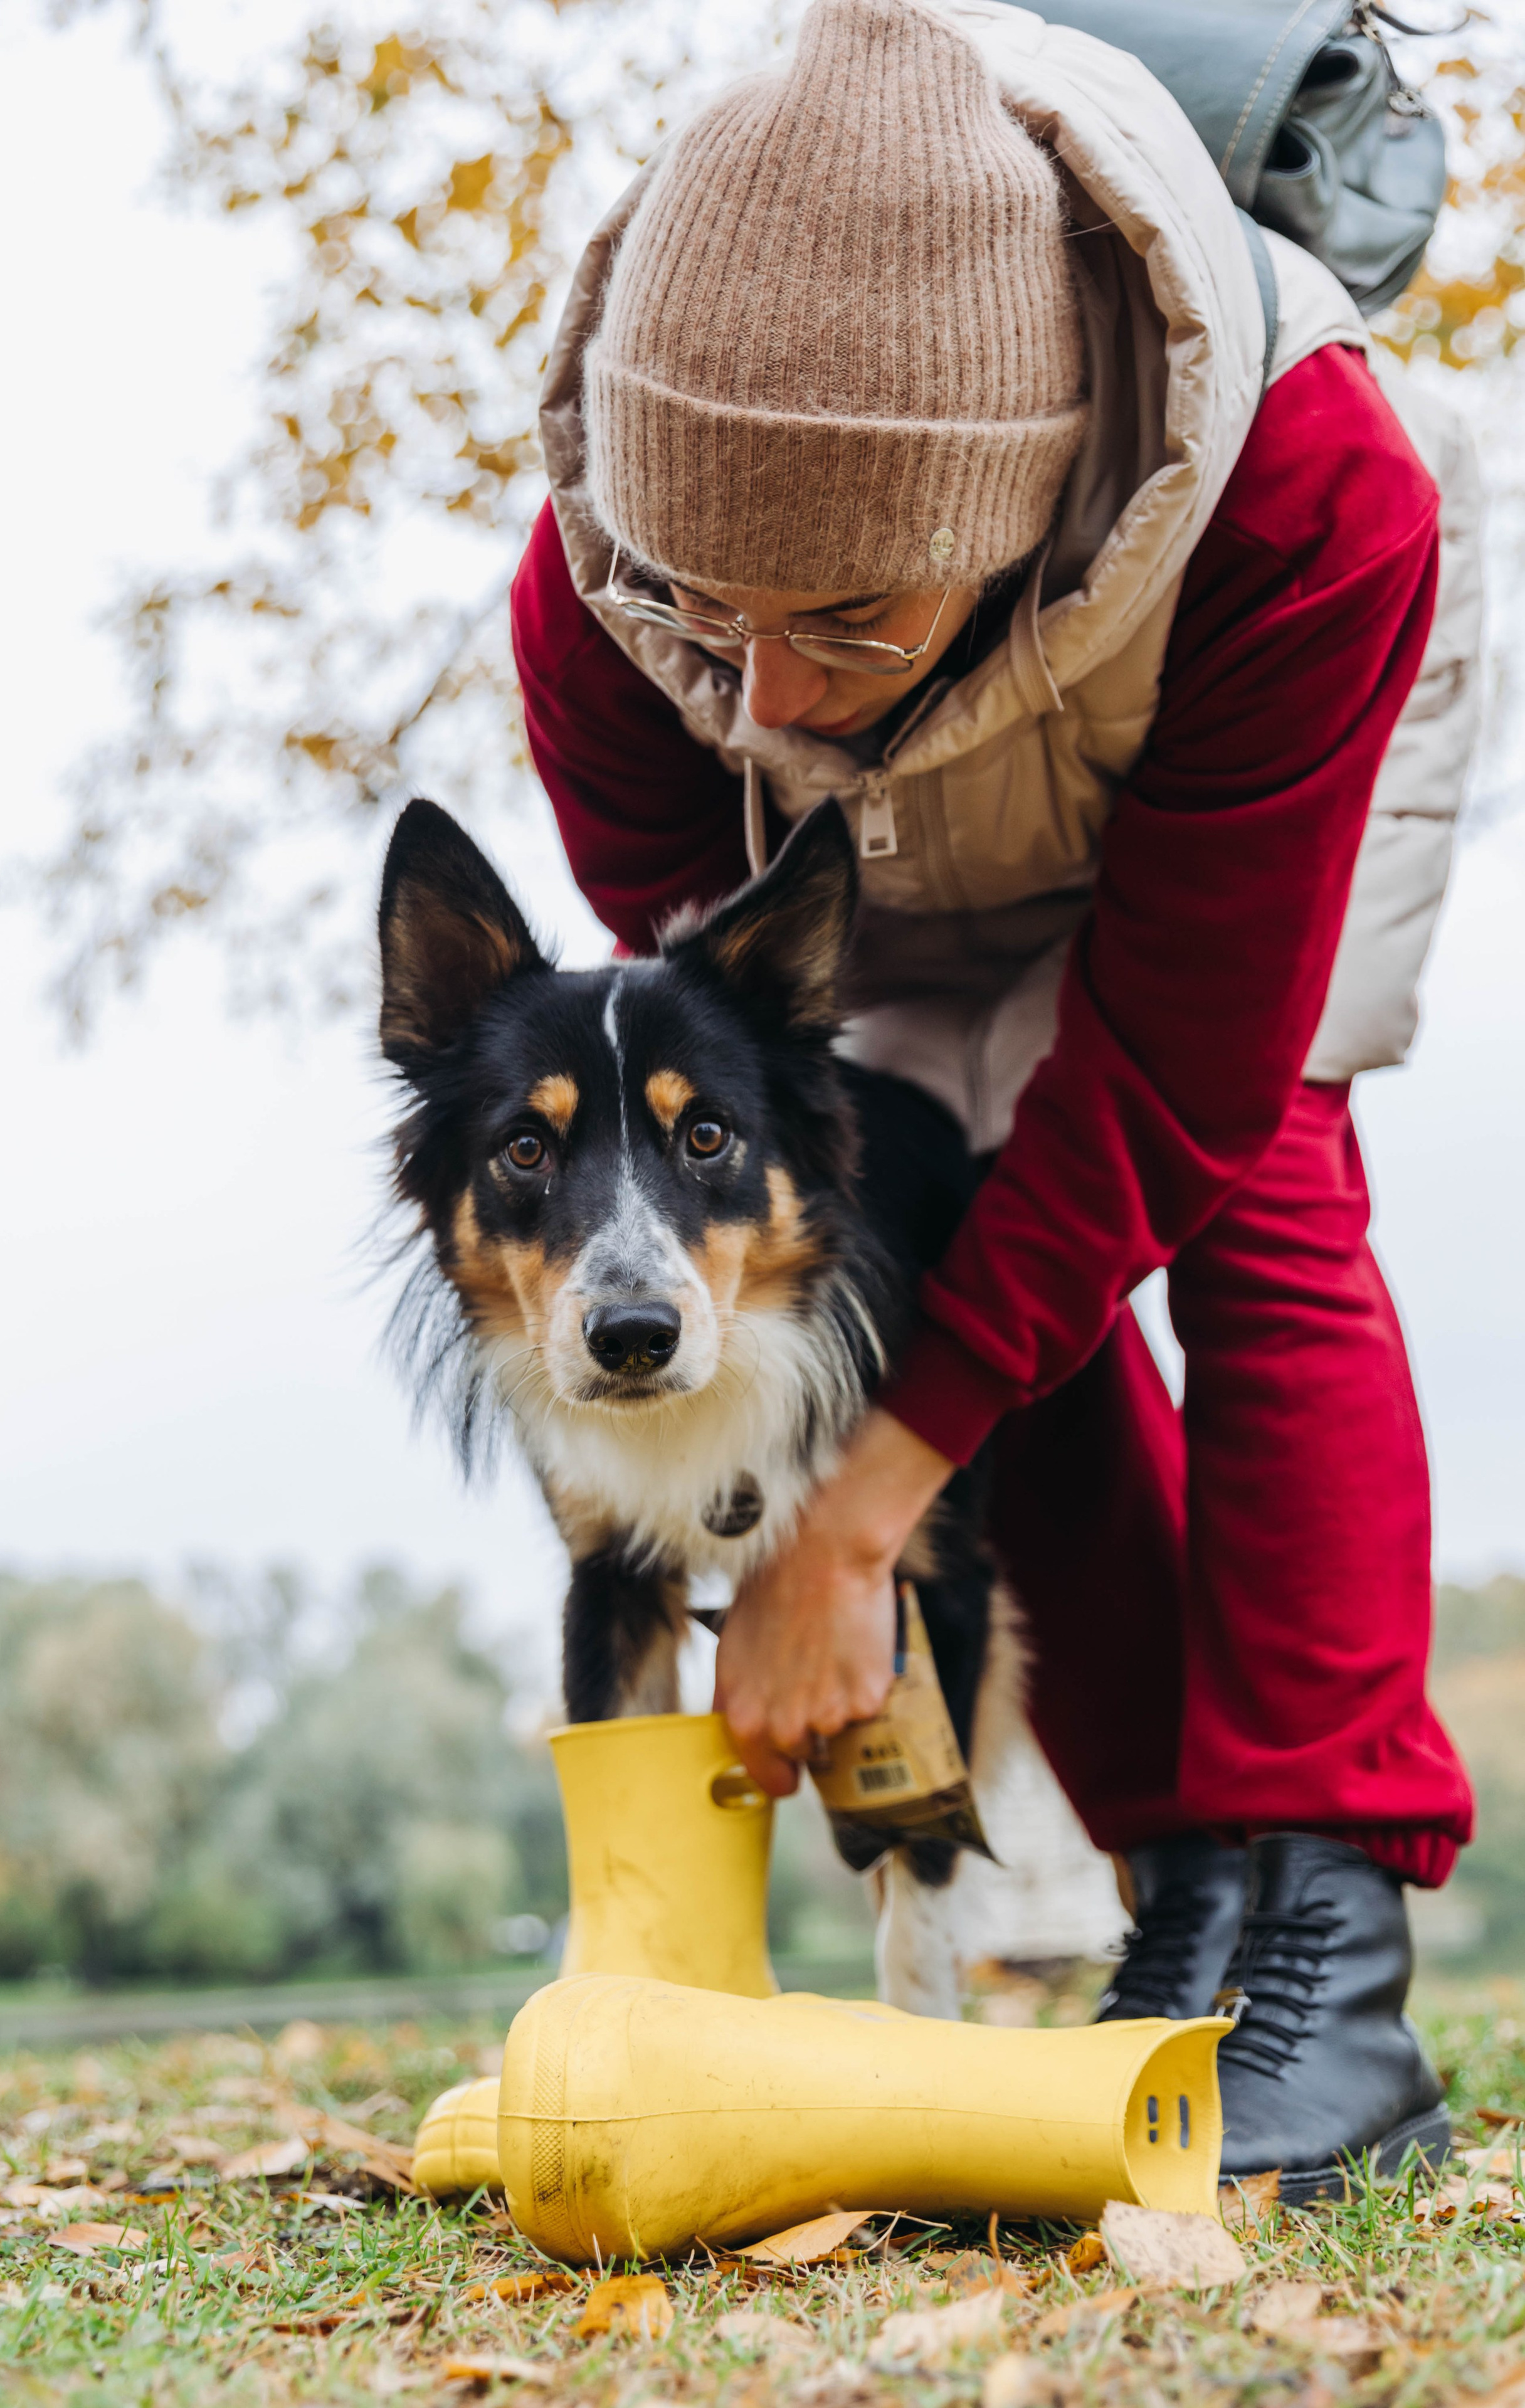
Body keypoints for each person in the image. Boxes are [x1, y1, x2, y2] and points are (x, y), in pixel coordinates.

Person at [507, 0, 1481, 2192]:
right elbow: (749, 1060)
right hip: (870, 863)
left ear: (1009, 489)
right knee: (958, 1261)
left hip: (1214, 721)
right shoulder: (605, 603)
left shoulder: (1321, 502)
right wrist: (811, 650)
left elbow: (1170, 1096)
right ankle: (1183, 1894)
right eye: (707, 604)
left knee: (1260, 1200)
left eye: (832, 609)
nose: (755, 690)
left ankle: (1324, 1910)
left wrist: (853, 1525)